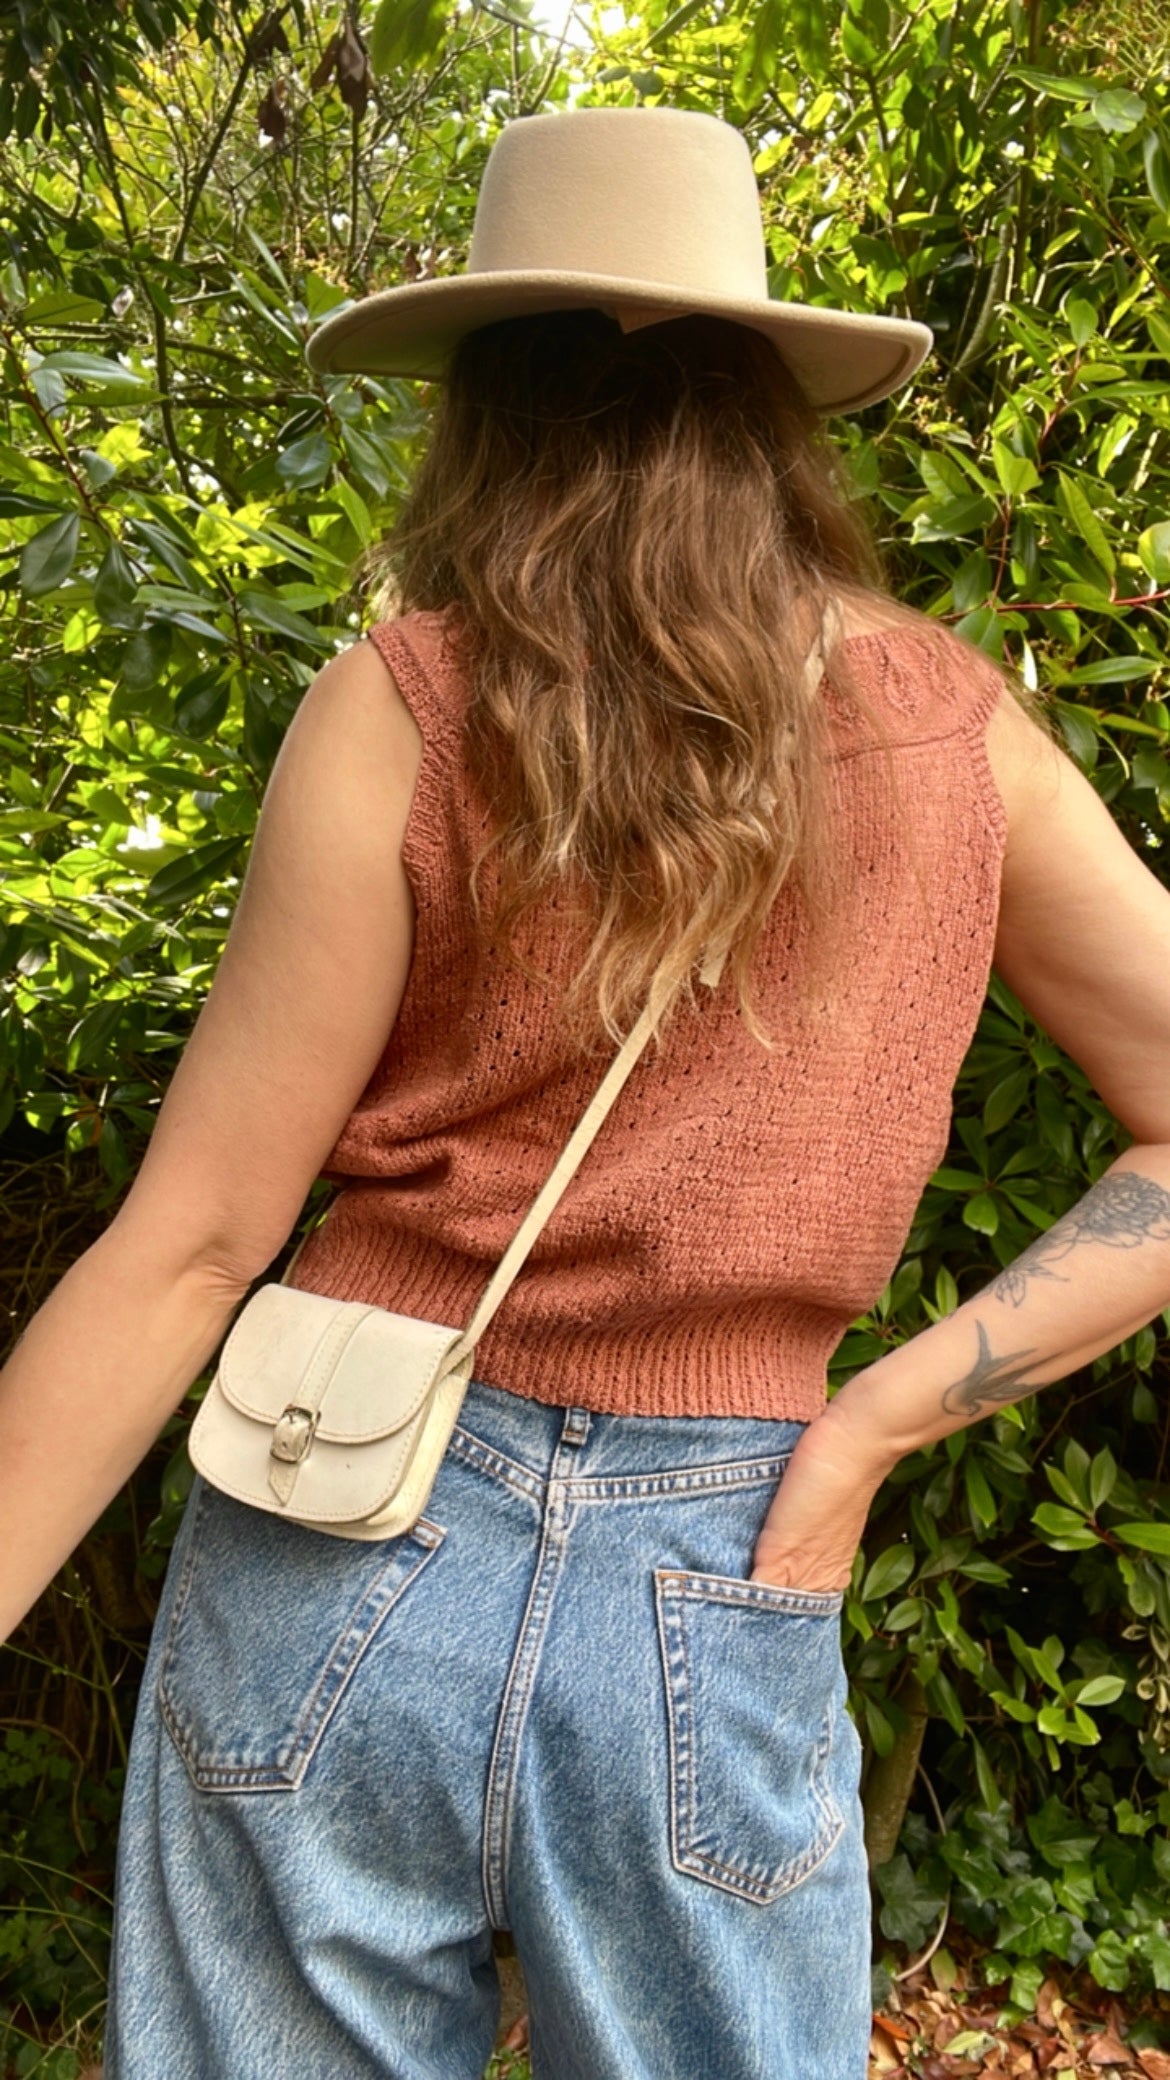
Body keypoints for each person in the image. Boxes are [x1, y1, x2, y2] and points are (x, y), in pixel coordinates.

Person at [3, 102, 1170, 2080]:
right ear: (770, 408)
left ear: (482, 403)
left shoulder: (403, 705)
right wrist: (869, 1429)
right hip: (724, 1565)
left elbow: (191, 1243)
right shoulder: (955, 737)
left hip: (344, 1512)